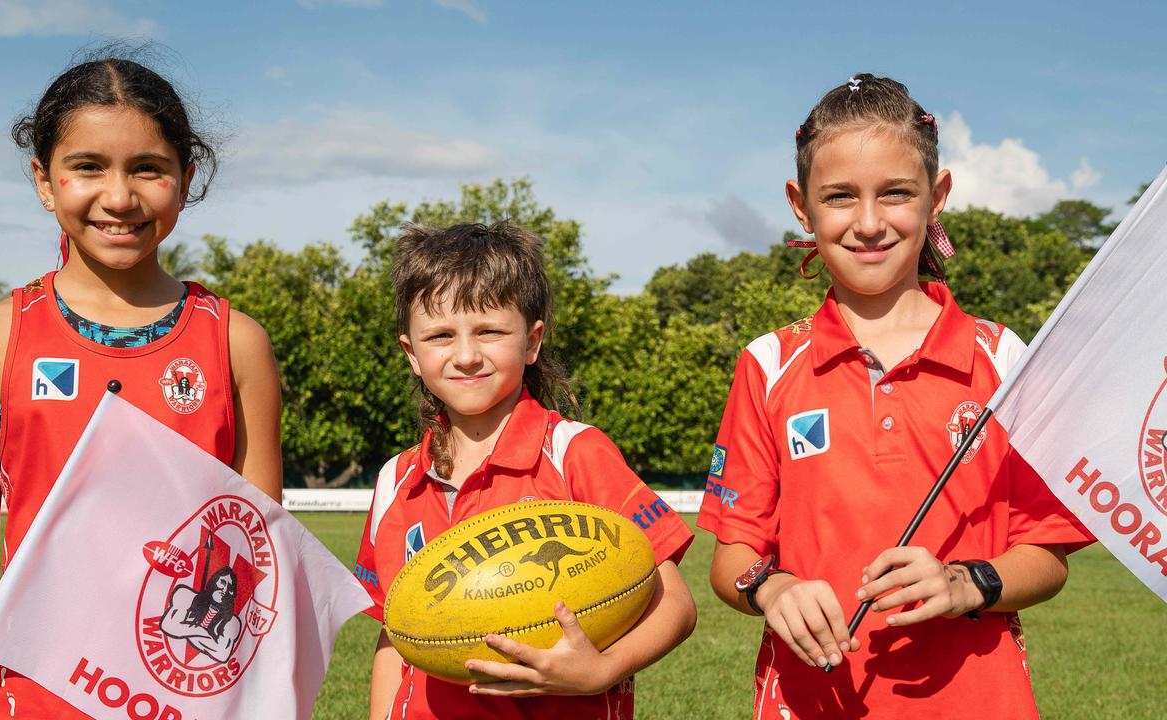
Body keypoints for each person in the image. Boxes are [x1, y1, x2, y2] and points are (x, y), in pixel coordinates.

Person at [698, 74, 1093, 719]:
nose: (870, 223)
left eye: (897, 193)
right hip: (810, 700)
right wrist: (772, 588)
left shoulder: (1004, 360)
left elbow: (1047, 554)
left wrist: (968, 582)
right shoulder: (768, 365)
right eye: (840, 197)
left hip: (979, 701)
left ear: (937, 196)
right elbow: (733, 557)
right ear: (801, 206)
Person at [0, 50, 282, 720]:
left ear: (186, 177)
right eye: (88, 167)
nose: (120, 197)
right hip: (37, 696)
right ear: (44, 180)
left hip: (187, 695)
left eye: (148, 168)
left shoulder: (236, 343)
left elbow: (254, 560)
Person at [355, 222, 697, 720]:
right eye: (441, 335)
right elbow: (396, 634)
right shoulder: (395, 479)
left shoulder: (575, 452)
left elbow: (676, 606)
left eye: (490, 331)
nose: (466, 356)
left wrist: (601, 672)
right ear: (412, 353)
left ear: (532, 341)